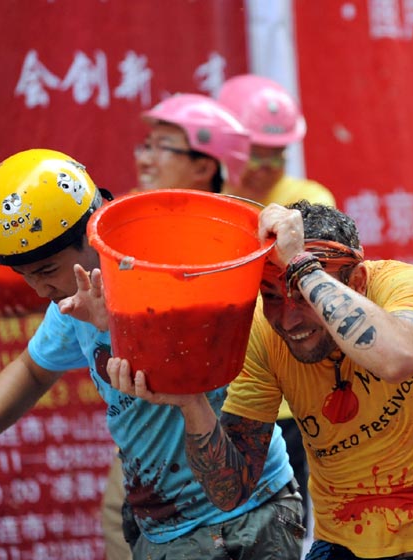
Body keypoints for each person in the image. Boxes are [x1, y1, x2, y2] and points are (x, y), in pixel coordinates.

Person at [107, 200, 413, 560]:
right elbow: (231, 491)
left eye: (304, 296)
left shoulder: (407, 286)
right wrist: (193, 405)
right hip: (338, 551)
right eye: (272, 296)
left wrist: (301, 266)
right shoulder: (264, 333)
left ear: (358, 280)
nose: (288, 320)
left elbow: (397, 358)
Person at [0, 148, 303, 560]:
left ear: (93, 230)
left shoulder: (166, 264)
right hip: (160, 527)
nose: (41, 288)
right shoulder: (74, 298)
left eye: (46, 270)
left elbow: (179, 376)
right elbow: (31, 370)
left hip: (233, 523)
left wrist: (111, 325)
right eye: (26, 276)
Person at [100, 91, 258, 560]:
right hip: (144, 466)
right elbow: (39, 364)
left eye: (160, 147)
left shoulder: (246, 243)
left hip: (231, 448)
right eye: (143, 145)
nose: (144, 158)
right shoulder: (118, 239)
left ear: (205, 165)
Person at [219, 73, 338, 532]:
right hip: (218, 390)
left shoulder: (308, 201)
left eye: (278, 153)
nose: (268, 165)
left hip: (286, 395)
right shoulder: (209, 200)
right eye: (256, 151)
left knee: (282, 529)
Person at [218, 73, 335, 208]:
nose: (261, 172)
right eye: (253, 156)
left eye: (275, 157)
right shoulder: (205, 196)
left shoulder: (308, 200)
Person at [135, 92, 250, 193]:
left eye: (163, 146)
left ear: (203, 169)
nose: (143, 160)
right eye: (148, 146)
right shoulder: (128, 209)